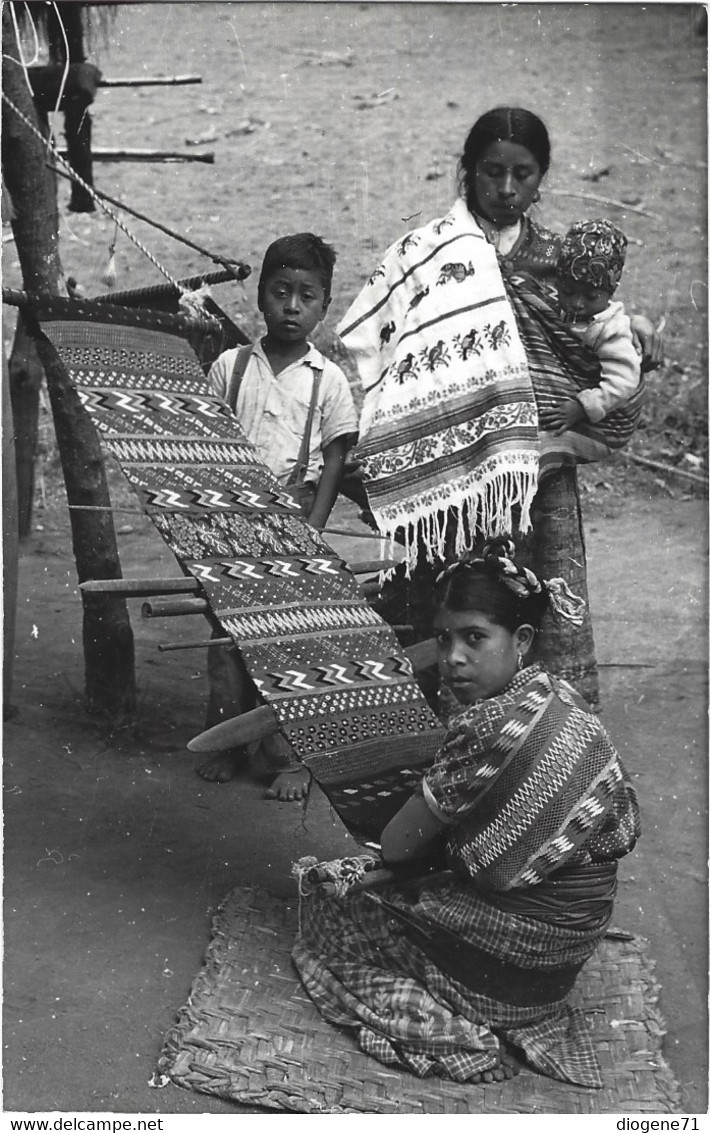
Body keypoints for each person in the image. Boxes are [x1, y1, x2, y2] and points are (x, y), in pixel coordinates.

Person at [337, 107, 662, 709]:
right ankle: (454, 746)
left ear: (542, 178)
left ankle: (549, 746)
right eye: (492, 172)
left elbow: (602, 341)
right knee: (459, 610)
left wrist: (639, 329)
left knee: (544, 606)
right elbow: (385, 344)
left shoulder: (566, 266)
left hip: (540, 468)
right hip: (459, 473)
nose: (507, 189)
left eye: (524, 175)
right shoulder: (428, 253)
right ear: (467, 172)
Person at [292, 540, 641, 1088]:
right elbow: (619, 828)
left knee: (326, 914)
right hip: (563, 953)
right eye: (444, 638)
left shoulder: (483, 729)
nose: (453, 656)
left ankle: (457, 1030)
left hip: (511, 966)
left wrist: (432, 797)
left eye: (474, 637)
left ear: (520, 640)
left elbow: (400, 846)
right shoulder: (563, 700)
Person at [198, 233, 359, 798]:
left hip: (293, 524)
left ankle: (291, 759)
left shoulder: (327, 379)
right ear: (260, 296)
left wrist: (311, 527)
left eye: (307, 296)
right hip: (231, 525)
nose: (292, 306)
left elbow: (337, 455)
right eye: (281, 292)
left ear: (324, 305)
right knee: (227, 640)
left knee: (290, 645)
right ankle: (227, 744)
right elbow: (209, 446)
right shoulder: (229, 366)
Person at [538, 218, 642, 436]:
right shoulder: (558, 307)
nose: (577, 303)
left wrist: (585, 407)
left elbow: (623, 380)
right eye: (567, 292)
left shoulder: (610, 329)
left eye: (591, 296)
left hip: (588, 410)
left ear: (610, 293)